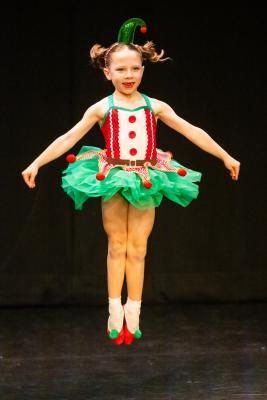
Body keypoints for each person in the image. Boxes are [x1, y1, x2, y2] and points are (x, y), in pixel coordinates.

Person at [21, 18, 240, 346]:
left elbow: (192, 130)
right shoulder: (101, 108)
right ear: (107, 72)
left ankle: (133, 309)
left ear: (142, 69)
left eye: (134, 68)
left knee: (138, 247)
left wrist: (225, 155)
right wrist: (37, 161)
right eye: (121, 70)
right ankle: (114, 308)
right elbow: (68, 137)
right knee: (117, 245)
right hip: (112, 175)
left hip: (146, 177)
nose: (129, 76)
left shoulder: (156, 106)